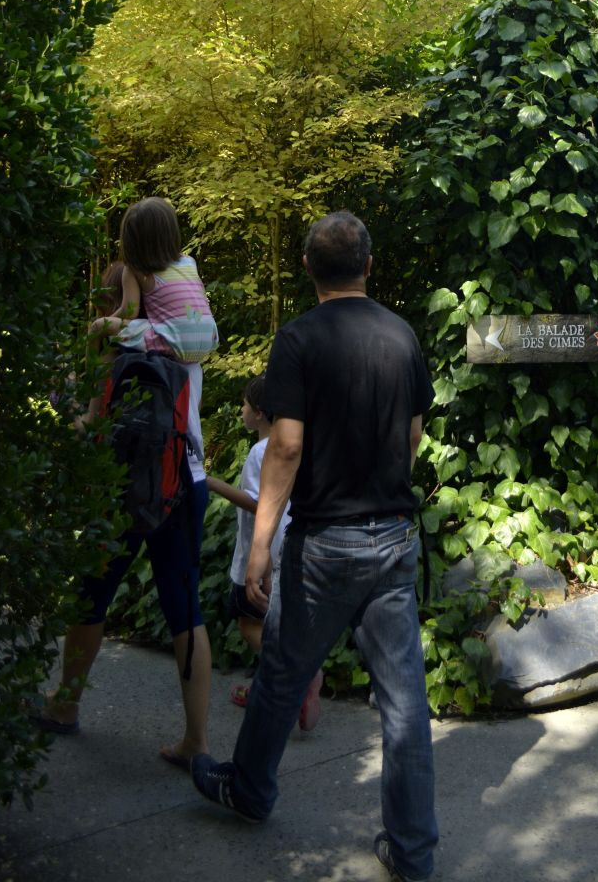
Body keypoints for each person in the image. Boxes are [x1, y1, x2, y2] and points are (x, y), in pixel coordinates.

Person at [191, 211, 438, 882]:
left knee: (281, 674)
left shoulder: (298, 339)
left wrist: (260, 546)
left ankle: (249, 790)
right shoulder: (402, 335)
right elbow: (413, 433)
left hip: (324, 541)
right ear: (369, 265)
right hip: (393, 536)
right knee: (405, 705)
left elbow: (287, 446)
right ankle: (414, 853)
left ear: (307, 268)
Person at [36, 199, 217, 773]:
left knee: (92, 594)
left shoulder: (116, 340)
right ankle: (196, 740)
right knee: (186, 609)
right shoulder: (184, 329)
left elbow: (93, 424)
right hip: (183, 477)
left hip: (121, 486)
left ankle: (64, 705)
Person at [205, 377, 321, 729]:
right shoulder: (296, 445)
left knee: (249, 623)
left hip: (262, 553)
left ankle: (295, 676)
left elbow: (259, 503)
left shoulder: (261, 452)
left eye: (244, 404)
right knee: (276, 620)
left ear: (258, 413)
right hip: (289, 548)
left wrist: (212, 484)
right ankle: (278, 681)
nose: (240, 410)